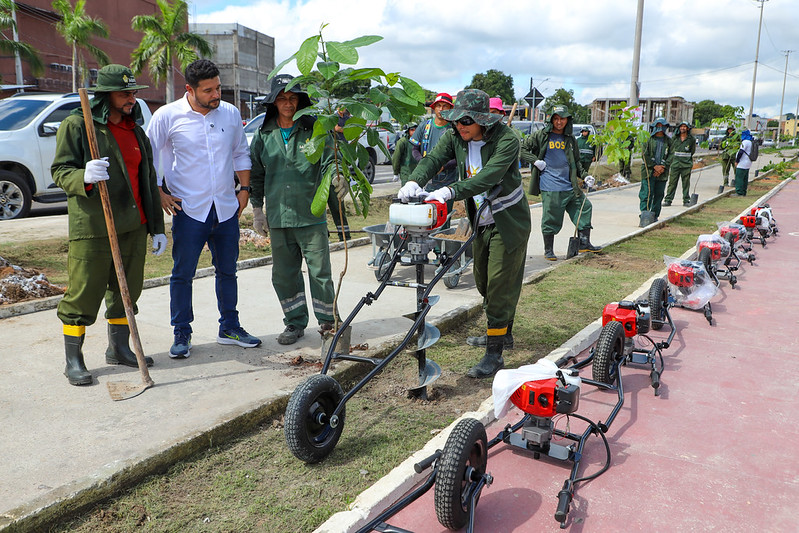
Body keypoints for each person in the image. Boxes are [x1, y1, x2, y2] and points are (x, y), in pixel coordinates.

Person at [398, 89, 531, 379]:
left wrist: (450, 191)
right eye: (456, 120)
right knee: (483, 281)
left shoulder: (507, 139)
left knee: (498, 284)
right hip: (481, 220)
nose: (460, 126)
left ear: (482, 120)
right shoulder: (456, 136)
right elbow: (433, 158)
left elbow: (489, 176)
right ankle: (502, 333)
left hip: (509, 221)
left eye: (466, 121)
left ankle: (495, 354)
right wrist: (414, 180)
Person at [51, 64, 166, 386]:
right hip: (94, 226)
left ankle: (118, 349)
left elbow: (148, 180)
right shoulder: (78, 125)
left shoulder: (136, 131)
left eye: (133, 93)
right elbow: (60, 170)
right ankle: (73, 360)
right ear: (105, 96)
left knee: (126, 291)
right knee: (83, 294)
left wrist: (157, 226)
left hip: (134, 225)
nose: (131, 99)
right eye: (124, 94)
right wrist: (84, 175)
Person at [147, 59, 261, 358]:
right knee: (182, 273)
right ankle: (181, 332)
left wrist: (244, 190)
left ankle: (230, 327)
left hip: (225, 207)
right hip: (189, 210)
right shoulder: (167, 116)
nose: (216, 95)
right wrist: (158, 192)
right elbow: (150, 156)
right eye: (208, 90)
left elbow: (240, 152)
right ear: (190, 89)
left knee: (228, 271)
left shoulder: (230, 113)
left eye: (218, 88)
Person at [249, 74, 340, 345]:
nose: (288, 104)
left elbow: (329, 161)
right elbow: (256, 174)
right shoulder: (263, 135)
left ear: (300, 101)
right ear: (273, 103)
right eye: (282, 99)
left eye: (292, 98)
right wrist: (257, 210)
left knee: (320, 272)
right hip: (279, 217)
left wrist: (337, 175)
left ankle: (329, 322)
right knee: (284, 275)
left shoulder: (315, 130)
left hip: (310, 216)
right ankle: (294, 322)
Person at [520, 105, 600, 261]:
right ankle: (548, 250)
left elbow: (576, 161)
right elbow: (521, 148)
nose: (559, 122)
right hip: (551, 185)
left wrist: (585, 176)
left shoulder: (570, 139)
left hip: (570, 185)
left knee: (584, 208)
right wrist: (535, 161)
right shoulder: (541, 135)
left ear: (567, 120)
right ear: (551, 119)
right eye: (556, 118)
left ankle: (584, 243)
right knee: (551, 218)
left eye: (562, 119)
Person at [410, 93, 458, 202]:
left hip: (447, 180)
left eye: (445, 106)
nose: (441, 109)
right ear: (434, 108)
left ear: (450, 108)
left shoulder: (455, 128)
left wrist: (443, 166)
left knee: (444, 209)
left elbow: (459, 156)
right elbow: (415, 149)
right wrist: (424, 163)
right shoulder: (424, 126)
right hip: (427, 179)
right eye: (438, 106)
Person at [639, 118, 672, 223]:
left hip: (662, 173)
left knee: (659, 194)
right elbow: (644, 154)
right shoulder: (647, 140)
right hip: (648, 172)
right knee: (647, 193)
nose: (660, 128)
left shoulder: (669, 141)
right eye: (658, 126)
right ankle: (645, 214)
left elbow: (671, 155)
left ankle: (654, 215)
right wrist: (654, 166)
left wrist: (662, 167)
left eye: (662, 126)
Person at [328, 107, 351, 241]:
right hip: (334, 154)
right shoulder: (332, 118)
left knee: (338, 203)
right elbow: (335, 128)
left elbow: (350, 131)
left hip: (341, 156)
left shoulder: (347, 119)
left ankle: (344, 235)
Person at [663, 121, 696, 207]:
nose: (682, 128)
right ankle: (668, 200)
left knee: (686, 183)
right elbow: (670, 149)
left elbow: (692, 151)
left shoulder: (691, 139)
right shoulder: (674, 138)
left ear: (687, 128)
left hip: (686, 165)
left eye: (684, 126)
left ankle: (686, 200)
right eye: (681, 126)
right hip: (675, 164)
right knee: (672, 183)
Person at [734, 129, 755, 196]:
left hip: (742, 163)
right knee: (745, 178)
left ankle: (739, 192)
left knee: (739, 178)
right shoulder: (751, 142)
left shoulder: (745, 142)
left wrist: (737, 161)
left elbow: (741, 152)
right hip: (748, 162)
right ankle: (743, 191)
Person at [719, 126, 738, 191]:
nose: (730, 131)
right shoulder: (725, 138)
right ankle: (725, 182)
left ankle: (736, 182)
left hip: (734, 156)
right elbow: (721, 146)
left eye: (731, 130)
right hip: (725, 156)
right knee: (725, 170)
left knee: (736, 169)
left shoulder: (736, 138)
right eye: (729, 130)